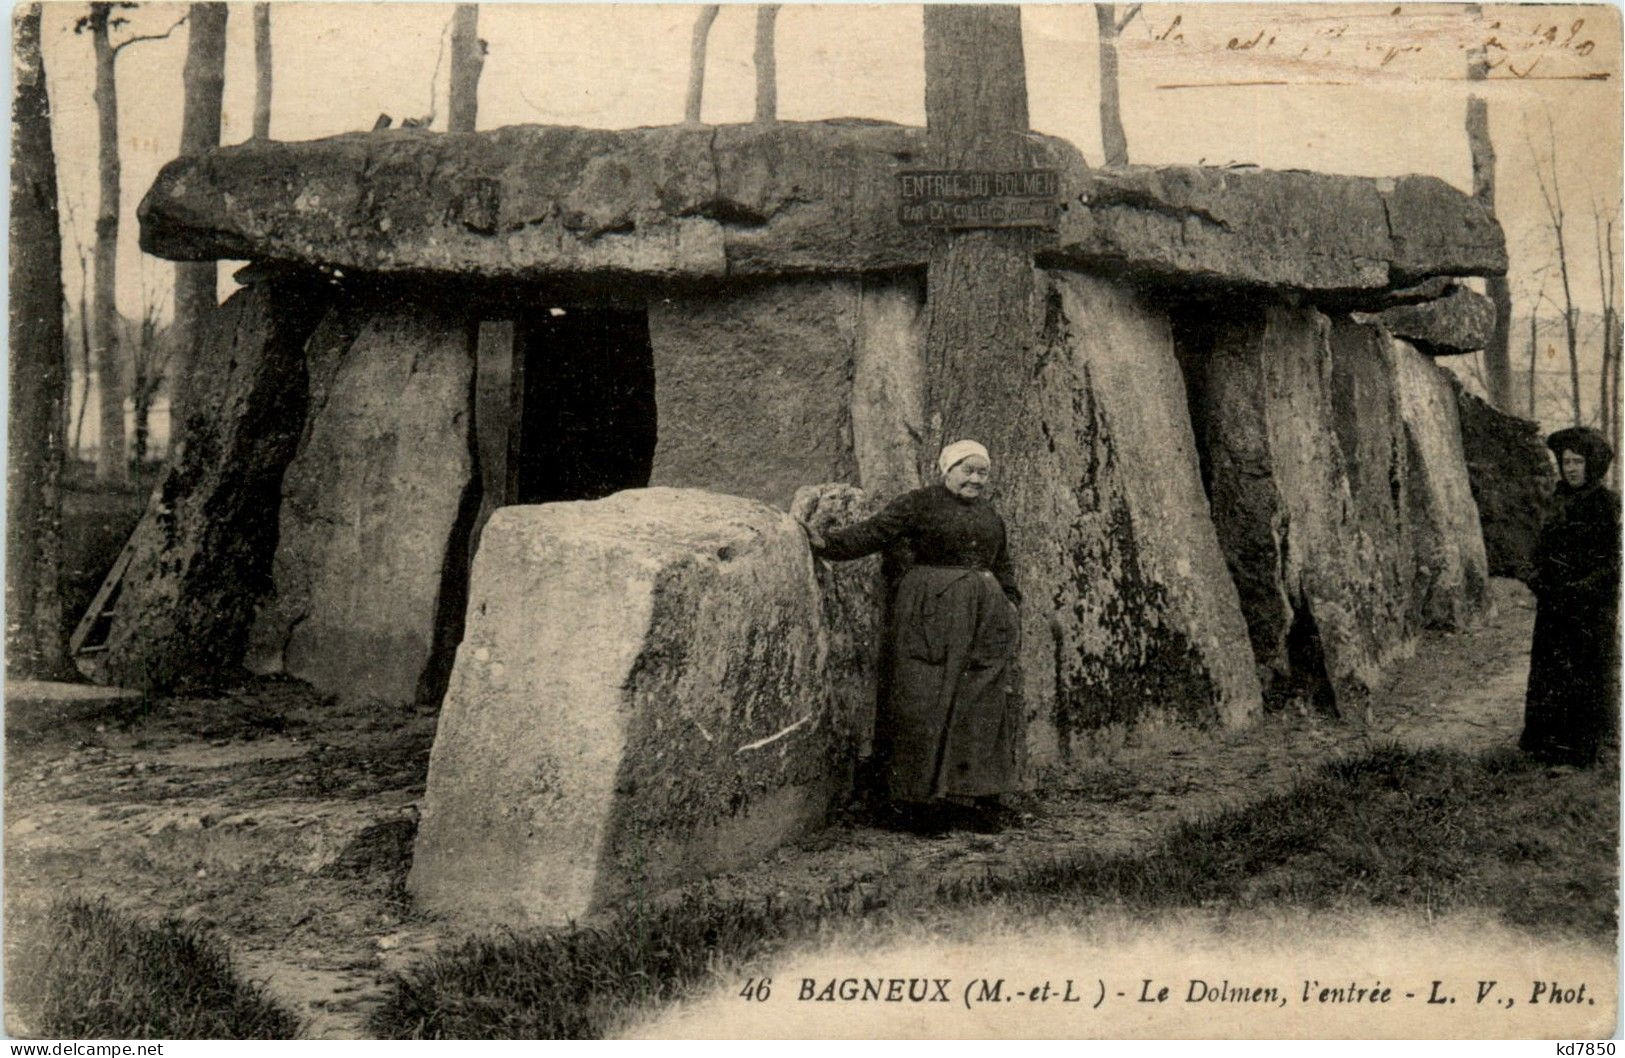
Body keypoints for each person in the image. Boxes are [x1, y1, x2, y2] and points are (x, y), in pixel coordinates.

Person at [800, 440, 1024, 833]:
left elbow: (1001, 564)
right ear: (947, 470)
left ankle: (967, 800)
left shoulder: (991, 515)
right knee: (925, 701)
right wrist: (829, 544)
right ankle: (914, 805)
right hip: (930, 614)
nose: (974, 479)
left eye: (981, 472)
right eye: (966, 470)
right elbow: (874, 532)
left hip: (983, 621)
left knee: (978, 703)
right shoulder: (918, 504)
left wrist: (1010, 604)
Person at [1520, 426, 1620, 767]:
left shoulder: (1607, 504)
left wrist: (1582, 589)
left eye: (1578, 461)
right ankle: (1546, 746)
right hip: (1554, 603)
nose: (1571, 468)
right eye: (1566, 462)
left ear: (1592, 464)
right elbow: (1540, 549)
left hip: (1589, 608)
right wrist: (1537, 577)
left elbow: (1613, 561)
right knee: (1551, 672)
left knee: (1584, 675)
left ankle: (1583, 750)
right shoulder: (1557, 499)